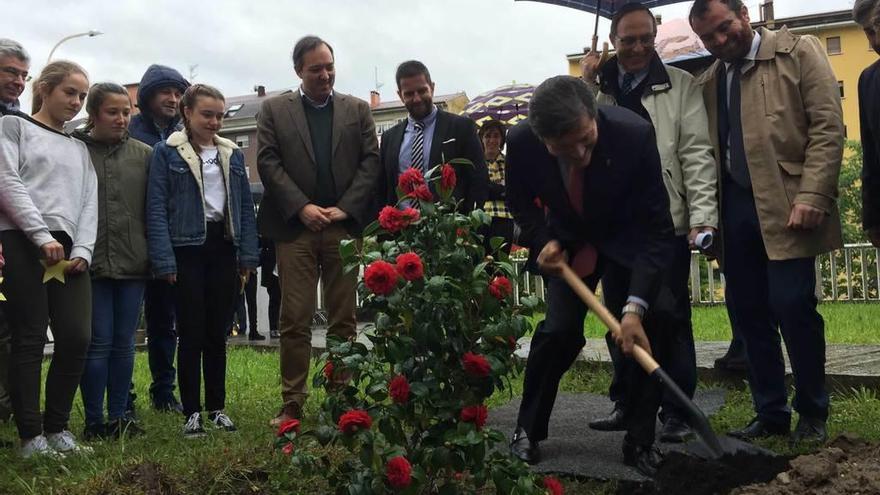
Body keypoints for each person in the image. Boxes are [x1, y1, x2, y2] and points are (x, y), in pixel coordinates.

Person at [690, 0, 844, 445]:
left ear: (744, 13)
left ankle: (812, 412)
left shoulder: (799, 52)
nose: (719, 41)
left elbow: (827, 127)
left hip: (789, 204)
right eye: (708, 37)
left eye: (724, 28)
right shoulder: (709, 81)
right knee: (748, 313)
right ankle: (770, 412)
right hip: (733, 209)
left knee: (793, 306)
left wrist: (814, 193)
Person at [505, 75, 676, 476]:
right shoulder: (523, 141)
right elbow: (518, 203)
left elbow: (657, 228)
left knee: (655, 320)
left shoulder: (634, 136)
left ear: (594, 114)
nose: (580, 153)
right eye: (564, 149)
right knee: (559, 331)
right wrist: (542, 239)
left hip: (626, 237)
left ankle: (639, 438)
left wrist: (633, 309)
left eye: (586, 139)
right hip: (567, 240)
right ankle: (527, 429)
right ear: (542, 138)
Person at [580, 2, 718, 443]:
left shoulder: (681, 86)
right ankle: (627, 402)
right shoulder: (599, 90)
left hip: (666, 222)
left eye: (644, 39)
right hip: (613, 228)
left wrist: (701, 218)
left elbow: (695, 154)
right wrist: (587, 81)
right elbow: (575, 131)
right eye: (627, 40)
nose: (637, 48)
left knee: (670, 315)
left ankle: (676, 410)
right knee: (619, 315)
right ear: (613, 42)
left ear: (654, 36)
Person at [258, 35, 381, 426]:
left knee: (344, 318)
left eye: (329, 66)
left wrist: (345, 209)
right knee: (295, 317)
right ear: (299, 71)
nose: (325, 75)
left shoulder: (358, 109)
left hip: (343, 228)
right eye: (316, 69)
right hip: (296, 230)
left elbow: (370, 162)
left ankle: (340, 396)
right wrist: (302, 207)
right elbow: (268, 161)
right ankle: (292, 400)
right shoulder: (274, 110)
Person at [147, 83, 258, 438]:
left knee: (217, 333)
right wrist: (164, 260)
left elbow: (243, 208)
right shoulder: (167, 152)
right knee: (191, 332)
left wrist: (247, 256)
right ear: (187, 114)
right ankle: (191, 412)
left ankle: (217, 408)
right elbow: (156, 208)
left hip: (223, 247)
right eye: (206, 115)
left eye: (219, 116)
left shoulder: (231, 154)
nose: (214, 122)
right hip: (187, 249)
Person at [0, 60, 97, 457]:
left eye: (82, 96)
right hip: (23, 241)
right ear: (45, 89)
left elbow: (88, 201)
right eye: (69, 92)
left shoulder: (79, 147)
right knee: (29, 337)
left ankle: (57, 428)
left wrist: (84, 250)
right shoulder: (14, 127)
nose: (76, 102)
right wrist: (40, 235)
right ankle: (30, 435)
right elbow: (7, 180)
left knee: (76, 336)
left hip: (69, 252)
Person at [74, 83, 152, 440]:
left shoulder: (145, 155)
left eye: (127, 112)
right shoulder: (74, 151)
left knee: (124, 343)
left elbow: (154, 211)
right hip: (87, 265)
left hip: (134, 264)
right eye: (112, 112)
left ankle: (120, 415)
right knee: (97, 341)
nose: (121, 119)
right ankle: (94, 421)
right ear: (93, 115)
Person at [129, 64, 190, 413]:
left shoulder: (184, 133)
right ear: (147, 96)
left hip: (172, 242)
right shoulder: (130, 130)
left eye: (178, 92)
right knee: (125, 326)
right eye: (165, 91)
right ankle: (124, 398)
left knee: (164, 320)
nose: (172, 98)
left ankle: (164, 392)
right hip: (134, 239)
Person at [378, 60, 488, 212]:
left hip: (449, 230)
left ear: (433, 88)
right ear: (400, 96)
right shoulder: (389, 138)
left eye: (422, 91)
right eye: (409, 94)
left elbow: (479, 181)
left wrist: (466, 226)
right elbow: (383, 188)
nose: (417, 99)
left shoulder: (461, 128)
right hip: (401, 231)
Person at [0, 38, 31, 423]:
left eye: (24, 74)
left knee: (10, 325)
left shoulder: (19, 119)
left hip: (12, 236)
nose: (19, 81)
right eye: (11, 72)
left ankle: (8, 406)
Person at [856, 0, 880, 247]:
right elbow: (870, 156)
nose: (875, 42)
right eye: (868, 32)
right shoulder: (868, 80)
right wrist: (872, 221)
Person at [479, 119, 516, 254]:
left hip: (504, 219)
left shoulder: (510, 163)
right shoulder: (477, 164)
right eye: (487, 136)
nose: (492, 140)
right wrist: (501, 190)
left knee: (500, 265)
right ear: (481, 139)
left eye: (496, 136)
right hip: (481, 218)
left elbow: (514, 191)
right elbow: (479, 190)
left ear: (502, 139)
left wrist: (490, 188)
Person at [259, 237, 281, 339]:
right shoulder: (268, 234)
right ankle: (273, 328)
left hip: (286, 268)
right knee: (274, 300)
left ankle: (283, 326)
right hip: (273, 270)